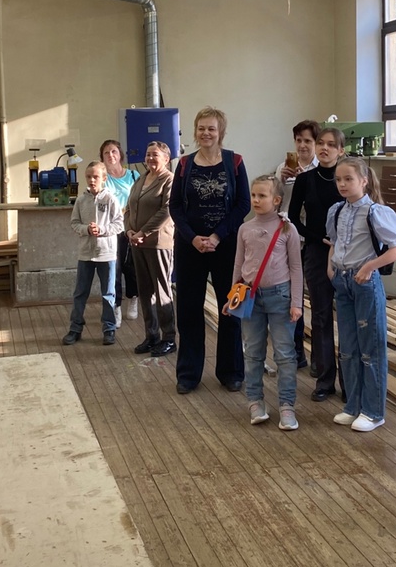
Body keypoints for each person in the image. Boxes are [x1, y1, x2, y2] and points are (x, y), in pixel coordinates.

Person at [169, 107, 250, 394]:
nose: (206, 133)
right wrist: (193, 238)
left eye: (211, 128)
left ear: (221, 132)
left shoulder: (235, 162)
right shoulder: (183, 164)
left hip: (227, 246)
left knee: (231, 308)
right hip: (190, 247)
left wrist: (217, 236)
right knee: (188, 310)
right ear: (195, 131)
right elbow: (175, 207)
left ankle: (231, 372)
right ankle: (188, 374)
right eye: (201, 128)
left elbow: (243, 204)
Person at [326, 157, 396, 432]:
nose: (342, 184)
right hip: (343, 281)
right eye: (338, 180)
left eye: (348, 179)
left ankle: (373, 411)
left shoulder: (376, 212)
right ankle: (353, 405)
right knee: (348, 348)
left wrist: (370, 266)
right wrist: (331, 267)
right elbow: (334, 242)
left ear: (364, 180)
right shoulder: (337, 210)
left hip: (365, 282)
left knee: (370, 348)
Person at [228, 175, 303, 431]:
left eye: (262, 196)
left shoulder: (288, 229)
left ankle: (287, 406)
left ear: (277, 200)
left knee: (285, 354)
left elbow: (296, 267)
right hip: (250, 297)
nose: (256, 200)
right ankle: (255, 402)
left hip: (280, 296)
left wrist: (296, 302)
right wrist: (232, 297)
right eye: (253, 195)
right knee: (252, 352)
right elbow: (239, 264)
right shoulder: (244, 229)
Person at [288, 126, 346, 401]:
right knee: (321, 317)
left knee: (346, 317)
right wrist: (317, 238)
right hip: (316, 252)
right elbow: (293, 218)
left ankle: (349, 381)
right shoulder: (305, 180)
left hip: (347, 255)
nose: (324, 148)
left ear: (341, 150)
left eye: (331, 145)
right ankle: (324, 380)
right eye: (321, 143)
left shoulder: (348, 177)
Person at [62, 161, 123, 347]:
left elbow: (119, 224)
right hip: (86, 254)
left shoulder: (111, 199)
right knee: (80, 292)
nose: (92, 180)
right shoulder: (81, 201)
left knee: (108, 293)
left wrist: (102, 230)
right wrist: (86, 230)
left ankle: (109, 328)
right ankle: (75, 328)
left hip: (107, 254)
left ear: (104, 178)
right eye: (89, 177)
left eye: (96, 177)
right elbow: (74, 223)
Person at [275, 118, 319, 370]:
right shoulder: (284, 167)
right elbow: (275, 201)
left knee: (316, 297)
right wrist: (280, 181)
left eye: (308, 141)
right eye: (299, 140)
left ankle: (319, 358)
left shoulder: (321, 168)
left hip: (311, 238)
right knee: (292, 297)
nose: (302, 145)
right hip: (288, 238)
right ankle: (296, 352)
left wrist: (307, 181)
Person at [124, 141, 176, 357]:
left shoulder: (169, 180)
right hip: (137, 243)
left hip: (158, 243)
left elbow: (167, 210)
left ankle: (169, 338)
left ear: (166, 159)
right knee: (145, 290)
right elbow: (128, 208)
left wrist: (143, 232)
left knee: (162, 290)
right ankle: (151, 335)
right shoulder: (141, 179)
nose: (150, 158)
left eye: (155, 155)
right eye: (148, 154)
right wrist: (129, 231)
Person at [100, 139, 140, 327]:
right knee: (113, 270)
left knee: (131, 267)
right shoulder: (102, 178)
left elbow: (141, 200)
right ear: (102, 157)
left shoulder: (133, 175)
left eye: (114, 151)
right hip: (110, 231)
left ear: (120, 154)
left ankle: (133, 298)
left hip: (130, 229)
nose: (110, 155)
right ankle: (115, 307)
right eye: (106, 152)